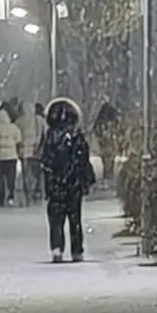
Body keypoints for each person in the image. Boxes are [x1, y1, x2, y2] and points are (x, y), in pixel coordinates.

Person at [41, 97, 94, 263]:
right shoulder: (77, 136)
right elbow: (84, 160)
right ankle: (77, 250)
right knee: (74, 218)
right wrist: (85, 180)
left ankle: (57, 248)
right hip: (73, 183)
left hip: (56, 184)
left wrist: (49, 182)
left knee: (56, 219)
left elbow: (46, 162)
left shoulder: (50, 137)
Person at [0, 103, 23, 205]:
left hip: (0, 156)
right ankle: (11, 194)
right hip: (11, 156)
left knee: (0, 177)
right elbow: (18, 140)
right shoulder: (14, 128)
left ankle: (1, 197)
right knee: (11, 176)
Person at [18, 99, 46, 204]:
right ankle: (37, 190)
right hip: (36, 150)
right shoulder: (39, 120)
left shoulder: (19, 121)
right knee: (38, 172)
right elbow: (45, 133)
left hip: (24, 151)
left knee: (26, 173)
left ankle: (28, 192)